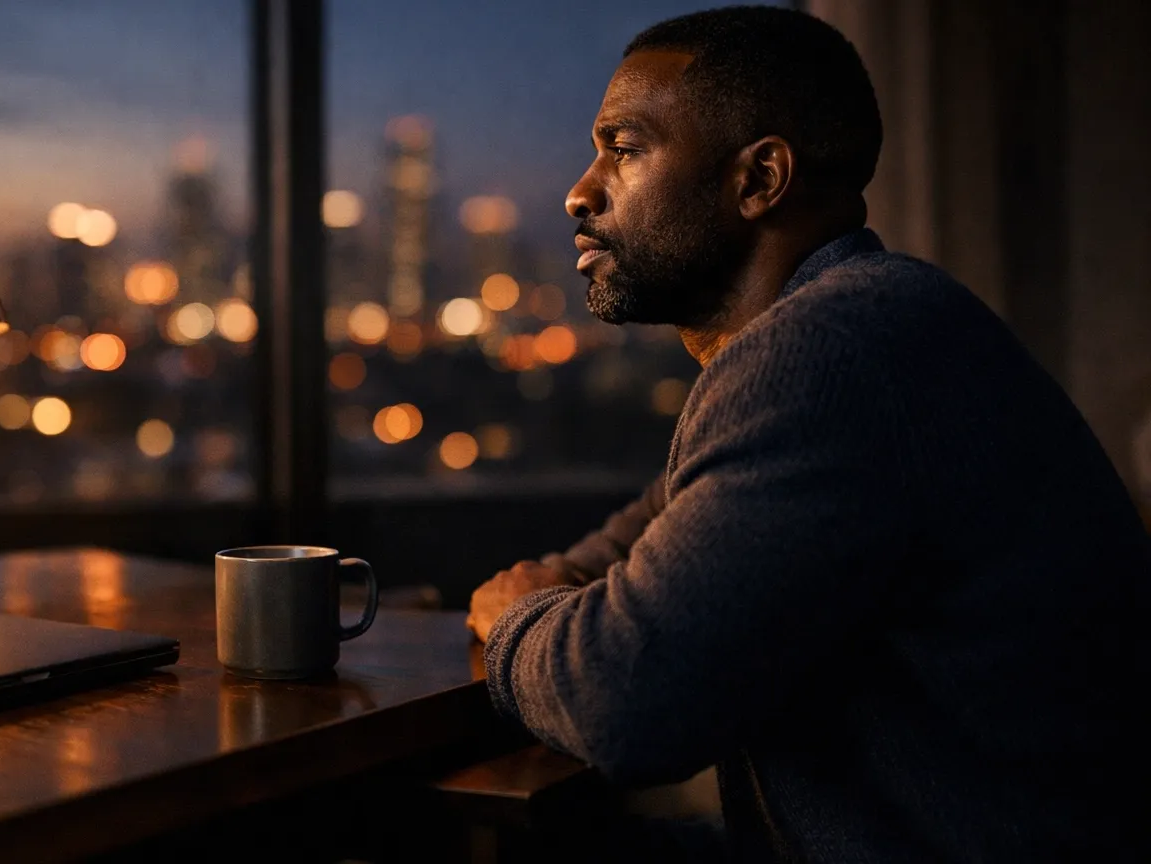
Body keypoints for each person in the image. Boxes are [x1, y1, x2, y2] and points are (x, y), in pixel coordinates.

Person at [466, 6, 1149, 862]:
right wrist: (570, 583)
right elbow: (670, 517)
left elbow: (629, 699)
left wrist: (514, 618)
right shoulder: (873, 322)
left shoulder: (830, 349)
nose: (580, 189)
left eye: (625, 148)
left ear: (760, 180)